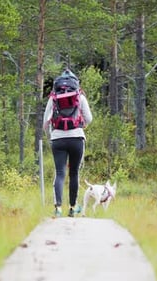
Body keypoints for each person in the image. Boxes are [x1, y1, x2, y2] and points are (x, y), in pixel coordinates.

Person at [43, 69, 92, 217]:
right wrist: (80, 126)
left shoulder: (53, 98)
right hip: (77, 138)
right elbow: (89, 119)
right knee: (74, 173)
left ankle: (58, 208)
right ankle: (72, 207)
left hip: (57, 139)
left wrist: (50, 135)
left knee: (59, 173)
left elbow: (45, 122)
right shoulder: (80, 97)